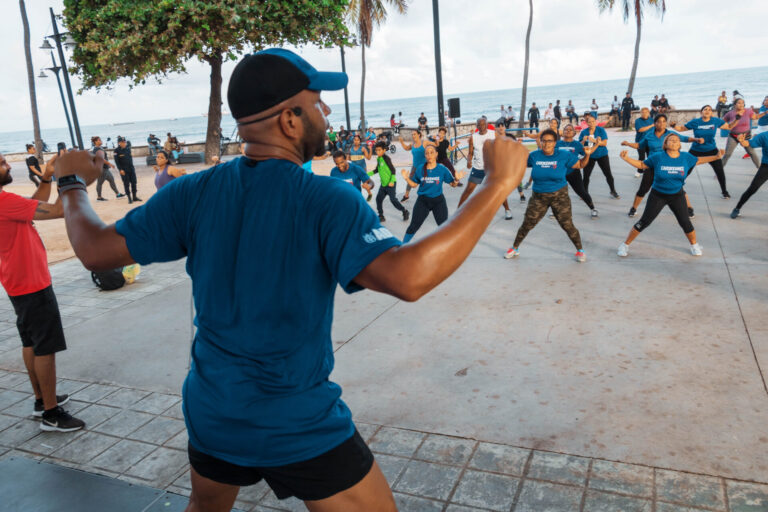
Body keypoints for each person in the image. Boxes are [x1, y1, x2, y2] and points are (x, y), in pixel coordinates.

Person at [51, 48, 528, 510]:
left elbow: (95, 250)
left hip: (214, 408)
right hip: (295, 419)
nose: (326, 113)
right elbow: (409, 277)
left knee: (204, 506)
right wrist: (494, 185)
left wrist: (72, 185)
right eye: (318, 102)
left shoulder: (192, 191)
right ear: (289, 119)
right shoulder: (326, 200)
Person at [0, 152, 85, 432]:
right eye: (1, 162)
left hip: (16, 281)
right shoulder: (4, 202)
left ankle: (40, 400)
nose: (8, 165)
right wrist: (69, 176)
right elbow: (59, 210)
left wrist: (47, 176)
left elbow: (35, 204)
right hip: (32, 283)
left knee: (31, 342)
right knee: (45, 348)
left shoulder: (8, 203)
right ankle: (51, 413)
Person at [617, 136, 725, 257]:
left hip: (677, 195)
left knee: (685, 222)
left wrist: (716, 157)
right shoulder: (658, 157)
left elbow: (699, 160)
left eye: (677, 141)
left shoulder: (686, 157)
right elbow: (642, 164)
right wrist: (626, 158)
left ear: (679, 145)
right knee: (644, 221)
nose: (674, 141)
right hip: (658, 195)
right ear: (666, 144)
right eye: (671, 140)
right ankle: (625, 245)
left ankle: (694, 245)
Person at [504, 128, 597, 262]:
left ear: (555, 143)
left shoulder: (564, 155)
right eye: (544, 141)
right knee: (527, 223)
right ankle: (515, 248)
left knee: (567, 225)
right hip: (538, 197)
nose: (546, 144)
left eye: (550, 141)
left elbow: (581, 164)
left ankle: (580, 250)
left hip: (560, 196)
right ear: (540, 142)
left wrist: (587, 155)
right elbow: (518, 163)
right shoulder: (535, 155)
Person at [621, 114, 702, 217]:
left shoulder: (671, 134)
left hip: (667, 164)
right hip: (652, 165)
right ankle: (634, 208)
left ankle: (689, 208)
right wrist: (628, 144)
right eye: (659, 121)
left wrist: (696, 140)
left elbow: (685, 138)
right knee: (643, 188)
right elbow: (639, 145)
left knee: (678, 187)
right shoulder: (649, 135)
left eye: (664, 121)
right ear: (654, 123)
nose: (662, 123)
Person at [399, 144, 467, 243]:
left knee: (444, 227)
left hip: (438, 201)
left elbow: (452, 184)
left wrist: (456, 179)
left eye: (431, 152)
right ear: (425, 156)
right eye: (427, 153)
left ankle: (446, 248)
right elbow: (414, 185)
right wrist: (406, 178)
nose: (429, 155)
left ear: (436, 154)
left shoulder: (442, 169)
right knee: (413, 226)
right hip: (423, 201)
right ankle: (403, 246)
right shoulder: (420, 168)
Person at [458, 118, 514, 220]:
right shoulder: (473, 137)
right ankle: (458, 212)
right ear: (477, 126)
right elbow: (470, 153)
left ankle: (507, 210)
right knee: (468, 190)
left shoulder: (493, 134)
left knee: (498, 190)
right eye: (479, 125)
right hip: (478, 168)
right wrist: (468, 161)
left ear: (487, 124)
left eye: (483, 124)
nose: (481, 126)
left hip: (491, 167)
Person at [677, 105, 733, 198]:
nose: (707, 111)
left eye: (709, 110)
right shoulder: (696, 122)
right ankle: (675, 187)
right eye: (705, 109)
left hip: (711, 150)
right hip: (695, 150)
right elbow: (682, 128)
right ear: (701, 112)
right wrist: (674, 126)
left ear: (712, 112)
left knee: (720, 171)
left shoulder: (715, 121)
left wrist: (737, 119)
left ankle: (724, 191)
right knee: (686, 170)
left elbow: (729, 126)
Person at [556, 124, 599, 218]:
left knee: (582, 192)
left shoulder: (577, 144)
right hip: (559, 172)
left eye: (570, 130)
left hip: (573, 172)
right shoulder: (557, 144)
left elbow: (588, 152)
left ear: (574, 133)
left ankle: (593, 208)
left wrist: (597, 144)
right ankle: (555, 210)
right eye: (566, 129)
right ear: (562, 133)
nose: (568, 131)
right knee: (556, 192)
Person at [578, 114, 620, 199]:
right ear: (586, 123)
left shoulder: (601, 130)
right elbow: (579, 145)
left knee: (608, 174)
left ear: (596, 122)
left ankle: (613, 191)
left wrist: (595, 141)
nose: (591, 123)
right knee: (586, 175)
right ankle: (584, 193)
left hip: (602, 155)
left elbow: (604, 143)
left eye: (593, 121)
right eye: (589, 122)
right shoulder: (584, 132)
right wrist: (583, 140)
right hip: (589, 156)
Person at [730, 131, 768, 218]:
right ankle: (737, 208)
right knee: (752, 188)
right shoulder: (764, 136)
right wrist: (742, 140)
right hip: (766, 167)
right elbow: (748, 143)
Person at [722, 98, 764, 168]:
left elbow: (756, 117)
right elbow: (722, 122)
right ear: (735, 105)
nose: (741, 104)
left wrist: (765, 113)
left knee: (752, 153)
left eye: (742, 103)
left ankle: (759, 169)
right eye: (739, 103)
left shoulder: (748, 111)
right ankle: (719, 171)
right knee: (727, 154)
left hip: (746, 136)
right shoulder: (730, 113)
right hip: (733, 136)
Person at [372, 141, 408, 222]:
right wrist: (366, 174)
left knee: (393, 200)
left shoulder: (386, 159)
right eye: (376, 150)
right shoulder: (379, 159)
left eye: (379, 150)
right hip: (383, 185)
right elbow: (377, 170)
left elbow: (393, 170)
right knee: (378, 199)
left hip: (391, 184)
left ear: (384, 150)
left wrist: (391, 181)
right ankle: (381, 215)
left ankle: (404, 211)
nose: (377, 152)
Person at [398, 130, 435, 202]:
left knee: (426, 182)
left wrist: (436, 140)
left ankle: (430, 196)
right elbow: (406, 148)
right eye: (412, 134)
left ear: (419, 135)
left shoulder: (424, 142)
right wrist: (402, 142)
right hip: (414, 167)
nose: (413, 136)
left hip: (424, 167)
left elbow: (435, 145)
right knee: (409, 180)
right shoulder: (412, 144)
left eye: (414, 134)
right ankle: (406, 196)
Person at [91, 136, 124, 201]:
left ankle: (118, 194)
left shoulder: (99, 148)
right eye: (99, 140)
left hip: (105, 168)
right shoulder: (96, 149)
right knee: (100, 183)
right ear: (95, 142)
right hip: (101, 169)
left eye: (100, 139)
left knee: (111, 180)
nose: (101, 141)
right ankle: (99, 197)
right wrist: (110, 164)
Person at [113, 137, 141, 204]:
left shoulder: (128, 149)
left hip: (131, 168)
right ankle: (129, 198)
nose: (124, 143)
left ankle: (134, 197)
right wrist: (120, 169)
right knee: (126, 184)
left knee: (134, 182)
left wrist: (132, 168)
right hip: (124, 170)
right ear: (119, 143)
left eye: (124, 142)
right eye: (122, 142)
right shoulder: (116, 151)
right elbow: (117, 162)